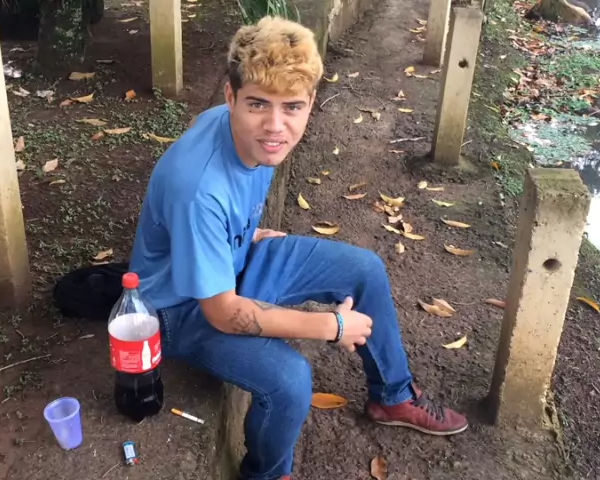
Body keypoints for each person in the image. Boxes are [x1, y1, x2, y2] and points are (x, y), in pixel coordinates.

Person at [128, 15, 468, 480]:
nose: (275, 126)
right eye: (258, 104)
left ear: (310, 103)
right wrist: (331, 326)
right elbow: (223, 313)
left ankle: (393, 397)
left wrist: (242, 235)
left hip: (234, 260)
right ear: (230, 97)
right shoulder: (198, 190)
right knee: (289, 381)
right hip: (181, 310)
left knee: (364, 269)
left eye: (292, 107)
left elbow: (220, 187)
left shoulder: (245, 135)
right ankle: (267, 474)